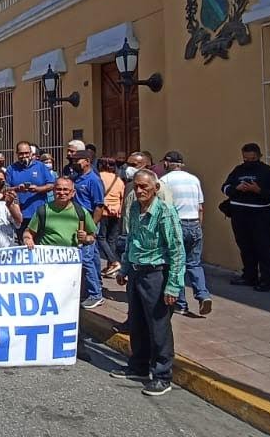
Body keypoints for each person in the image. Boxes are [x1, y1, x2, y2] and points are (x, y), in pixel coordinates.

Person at [111, 170, 185, 397]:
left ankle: (162, 375)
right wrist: (124, 268)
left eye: (144, 187)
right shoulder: (134, 208)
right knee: (137, 321)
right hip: (135, 271)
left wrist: (173, 285)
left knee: (158, 325)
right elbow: (131, 239)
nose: (140, 191)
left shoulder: (165, 212)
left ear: (156, 189)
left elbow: (177, 251)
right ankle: (138, 366)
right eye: (136, 187)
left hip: (156, 274)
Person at [23, 177, 100, 311]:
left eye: (66, 190)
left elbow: (92, 237)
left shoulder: (81, 212)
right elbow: (28, 232)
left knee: (66, 301)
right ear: (53, 191)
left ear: (73, 193)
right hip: (47, 265)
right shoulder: (43, 210)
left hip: (70, 267)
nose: (62, 193)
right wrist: (28, 239)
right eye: (58, 189)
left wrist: (86, 238)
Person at [221, 143, 270, 292]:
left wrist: (258, 190)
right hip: (240, 215)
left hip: (261, 216)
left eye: (252, 159)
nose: (249, 162)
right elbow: (225, 187)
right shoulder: (238, 170)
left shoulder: (268, 172)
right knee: (245, 247)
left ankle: (266, 281)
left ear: (259, 156)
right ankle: (249, 276)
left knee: (264, 249)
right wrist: (236, 188)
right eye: (245, 159)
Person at [161, 151, 212, 316]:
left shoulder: (164, 180)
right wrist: (199, 227)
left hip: (177, 225)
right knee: (194, 264)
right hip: (194, 223)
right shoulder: (194, 179)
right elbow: (200, 207)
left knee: (177, 264)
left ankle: (181, 304)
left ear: (168, 163)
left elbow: (162, 208)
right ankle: (203, 295)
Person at [67, 149, 106, 309]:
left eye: (78, 160)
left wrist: (92, 227)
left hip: (88, 222)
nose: (74, 163)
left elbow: (99, 206)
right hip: (77, 222)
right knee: (93, 256)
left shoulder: (93, 180)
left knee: (86, 259)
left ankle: (96, 294)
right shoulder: (77, 178)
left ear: (87, 161)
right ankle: (94, 286)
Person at [6, 141, 56, 235]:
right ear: (16, 154)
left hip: (40, 213)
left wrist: (38, 189)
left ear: (31, 153)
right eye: (21, 153)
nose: (24, 156)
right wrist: (17, 188)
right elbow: (5, 189)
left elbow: (52, 185)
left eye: (26, 153)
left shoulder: (40, 166)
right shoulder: (11, 169)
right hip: (19, 215)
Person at [96, 157, 126, 278]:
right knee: (112, 240)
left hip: (103, 211)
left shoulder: (99, 177)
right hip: (116, 213)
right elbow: (122, 197)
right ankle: (111, 266)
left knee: (101, 238)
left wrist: (106, 205)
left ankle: (114, 261)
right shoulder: (118, 180)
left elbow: (98, 194)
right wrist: (119, 210)